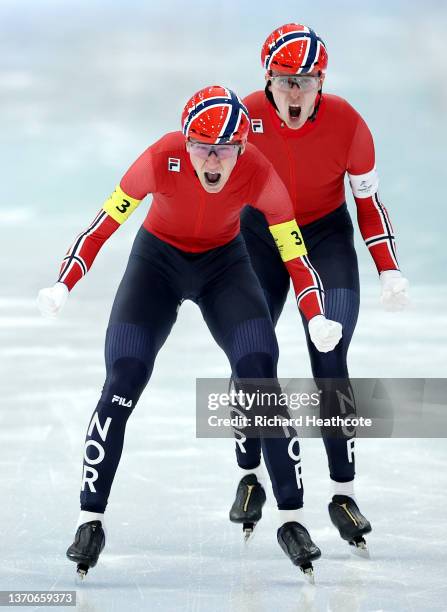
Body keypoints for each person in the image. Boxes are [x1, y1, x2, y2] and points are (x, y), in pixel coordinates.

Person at [37, 85, 343, 580]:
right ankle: (89, 519)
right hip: (156, 263)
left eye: (225, 149)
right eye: (201, 147)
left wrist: (316, 314)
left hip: (225, 265)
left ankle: (291, 519)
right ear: (186, 142)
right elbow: (102, 226)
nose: (213, 160)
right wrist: (65, 282)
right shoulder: (160, 158)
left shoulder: (261, 173)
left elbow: (294, 253)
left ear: (244, 146)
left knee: (260, 378)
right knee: (122, 380)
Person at [229, 23, 410, 554]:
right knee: (250, 355)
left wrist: (388, 267)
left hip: (325, 236)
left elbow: (369, 204)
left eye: (304, 82)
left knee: (329, 353)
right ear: (267, 79)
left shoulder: (349, 124)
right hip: (260, 236)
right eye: (284, 81)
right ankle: (251, 476)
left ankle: (343, 492)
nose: (293, 93)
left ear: (321, 82)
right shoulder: (242, 121)